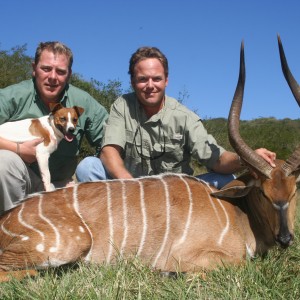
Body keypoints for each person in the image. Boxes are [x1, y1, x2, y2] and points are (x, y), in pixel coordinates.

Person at [76, 46, 276, 187]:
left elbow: (217, 160)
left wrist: (246, 158)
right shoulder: (122, 105)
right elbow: (108, 152)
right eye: (142, 79)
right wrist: (132, 188)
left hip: (175, 195)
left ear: (166, 81)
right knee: (88, 167)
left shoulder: (185, 117)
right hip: (130, 191)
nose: (150, 85)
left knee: (229, 181)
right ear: (132, 81)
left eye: (157, 79)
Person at [0, 41, 108, 214]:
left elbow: (109, 141)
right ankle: (11, 230)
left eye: (60, 71)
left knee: (89, 167)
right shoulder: (13, 96)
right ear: (34, 68)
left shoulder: (83, 101)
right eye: (46, 68)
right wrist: (18, 149)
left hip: (58, 186)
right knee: (3, 162)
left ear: (69, 74)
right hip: (17, 185)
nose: (52, 77)